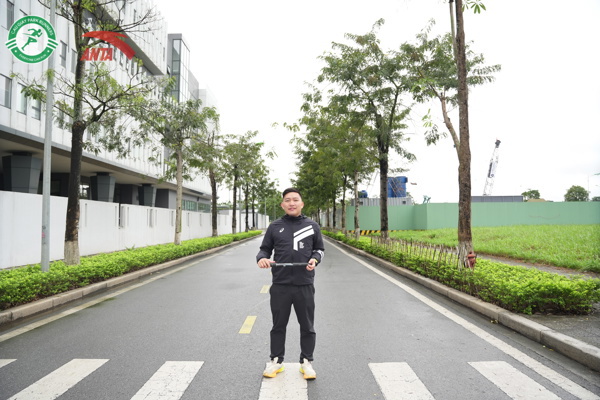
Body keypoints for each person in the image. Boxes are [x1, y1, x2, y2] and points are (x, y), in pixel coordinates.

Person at [256, 188, 325, 380]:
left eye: (295, 200)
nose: (291, 203)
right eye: (287, 200)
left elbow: (319, 249)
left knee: (307, 326)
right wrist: (261, 259)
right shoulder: (274, 226)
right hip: (280, 284)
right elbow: (264, 250)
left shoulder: (312, 226)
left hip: (304, 284)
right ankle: (276, 361)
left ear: (302, 203)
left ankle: (306, 362)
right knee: (278, 325)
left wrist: (315, 260)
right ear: (282, 205)